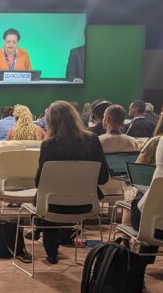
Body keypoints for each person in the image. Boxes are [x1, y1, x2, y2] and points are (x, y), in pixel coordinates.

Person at [33, 101, 110, 264]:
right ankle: (65, 235)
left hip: (52, 207)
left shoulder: (48, 145)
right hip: (87, 205)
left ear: (50, 121)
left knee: (45, 199)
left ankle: (51, 251)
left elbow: (39, 183)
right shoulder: (93, 140)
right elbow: (103, 178)